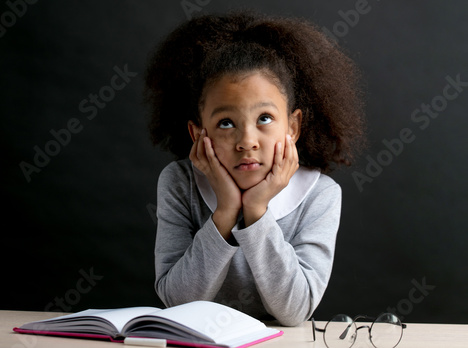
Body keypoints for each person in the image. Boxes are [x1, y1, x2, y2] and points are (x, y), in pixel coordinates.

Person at [143, 11, 365, 326]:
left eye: (264, 118)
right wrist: (225, 211)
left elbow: (296, 311)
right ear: (198, 133)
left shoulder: (320, 195)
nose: (247, 141)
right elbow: (177, 303)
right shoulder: (180, 183)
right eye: (225, 123)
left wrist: (256, 210)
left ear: (292, 127)